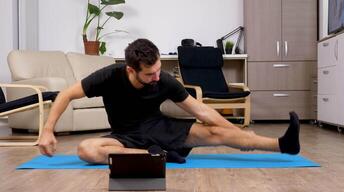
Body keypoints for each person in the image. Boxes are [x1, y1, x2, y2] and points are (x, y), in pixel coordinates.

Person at [38, 38, 300, 164]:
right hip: (124, 138)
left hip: (161, 129)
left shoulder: (163, 80)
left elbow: (202, 111)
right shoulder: (109, 76)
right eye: (148, 73)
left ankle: (282, 145)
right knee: (86, 149)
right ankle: (159, 157)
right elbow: (66, 94)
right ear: (131, 69)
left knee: (216, 131)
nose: (156, 77)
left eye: (158, 70)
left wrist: (235, 134)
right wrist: (48, 130)